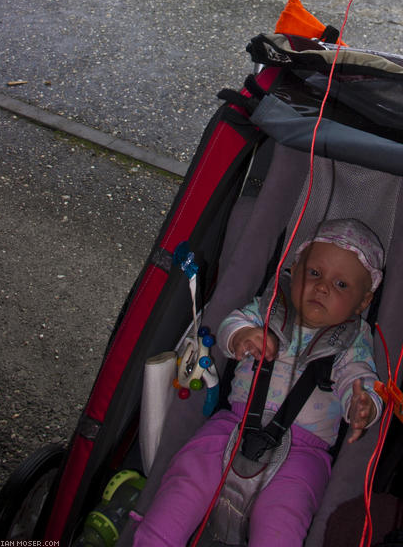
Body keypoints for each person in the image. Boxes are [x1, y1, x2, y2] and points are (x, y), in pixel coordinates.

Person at [132, 218, 385, 547]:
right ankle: (155, 539)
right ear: (293, 269)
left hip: (303, 453)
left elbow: (361, 376)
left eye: (341, 285)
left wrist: (363, 402)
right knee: (187, 479)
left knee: (284, 520)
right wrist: (241, 335)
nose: (322, 287)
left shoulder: (353, 340)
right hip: (232, 426)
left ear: (363, 302)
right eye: (314, 273)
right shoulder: (268, 309)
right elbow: (229, 324)